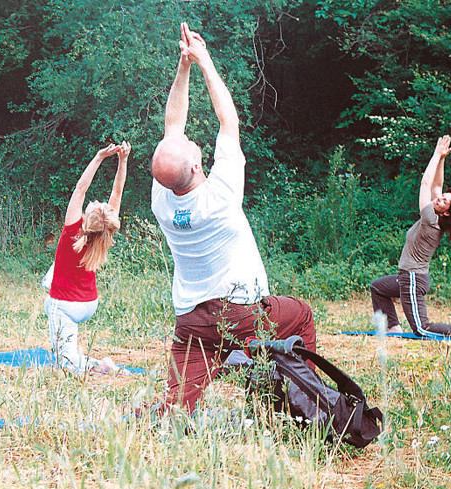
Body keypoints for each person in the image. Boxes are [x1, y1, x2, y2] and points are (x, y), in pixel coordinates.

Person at [149, 23, 318, 414]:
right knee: (301, 314)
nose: (192, 140)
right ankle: (302, 402)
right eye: (192, 146)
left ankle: (195, 398)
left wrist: (183, 66)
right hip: (240, 315)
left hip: (192, 321)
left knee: (176, 406)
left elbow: (172, 124)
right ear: (195, 164)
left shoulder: (162, 198)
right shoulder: (220, 196)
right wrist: (204, 60)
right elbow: (228, 120)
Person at [370, 135, 451, 338]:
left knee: (422, 328)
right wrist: (442, 159)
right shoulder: (437, 214)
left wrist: (436, 154)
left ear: (446, 212)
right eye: (443, 196)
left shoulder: (431, 218)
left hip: (412, 278)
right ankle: (393, 327)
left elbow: (425, 184)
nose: (439, 198)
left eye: (444, 201)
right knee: (377, 287)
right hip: (407, 277)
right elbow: (437, 185)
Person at [45, 141, 130, 374]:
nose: (94, 201)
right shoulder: (105, 234)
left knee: (66, 364)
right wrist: (123, 161)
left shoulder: (72, 231)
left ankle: (99, 366)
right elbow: (117, 192)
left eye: (95, 204)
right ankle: (81, 357)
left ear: (88, 218)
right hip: (89, 303)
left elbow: (81, 188)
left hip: (65, 304)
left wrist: (99, 157)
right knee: (53, 275)